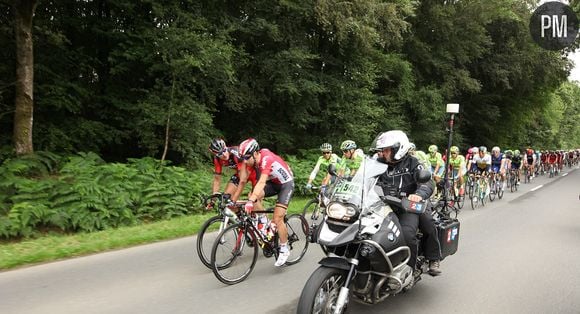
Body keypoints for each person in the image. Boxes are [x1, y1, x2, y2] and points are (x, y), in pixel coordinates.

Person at [374, 131, 442, 277]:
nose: (383, 153)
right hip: (380, 205)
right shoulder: (378, 163)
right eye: (382, 150)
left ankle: (413, 268)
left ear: (398, 149)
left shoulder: (413, 163)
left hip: (406, 206)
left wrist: (418, 195)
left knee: (410, 231)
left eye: (386, 150)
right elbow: (363, 177)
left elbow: (427, 182)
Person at [238, 138, 295, 267]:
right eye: (243, 159)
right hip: (274, 183)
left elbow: (262, 182)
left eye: (247, 158)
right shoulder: (254, 161)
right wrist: (251, 199)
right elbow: (248, 181)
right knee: (252, 195)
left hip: (286, 184)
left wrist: (251, 202)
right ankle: (264, 221)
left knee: (278, 218)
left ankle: (284, 248)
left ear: (255, 153)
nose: (245, 161)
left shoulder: (266, 159)